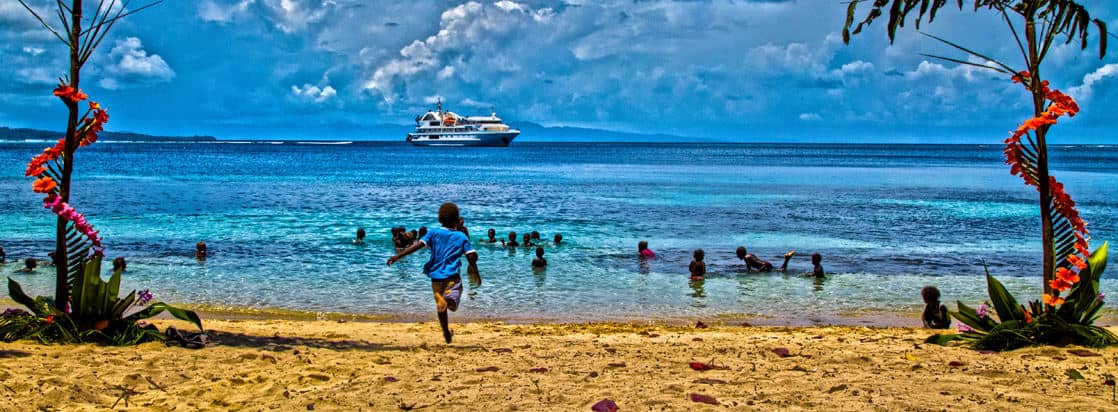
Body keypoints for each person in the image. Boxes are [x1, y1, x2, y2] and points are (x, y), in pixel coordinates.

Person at [387, 203, 481, 344]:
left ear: (439, 219)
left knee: (440, 306)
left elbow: (417, 245)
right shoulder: (461, 236)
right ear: (457, 220)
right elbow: (471, 256)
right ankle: (448, 300)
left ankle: (445, 332)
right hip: (452, 276)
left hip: (435, 277)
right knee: (452, 302)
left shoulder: (433, 232)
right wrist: (476, 273)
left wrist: (398, 256)